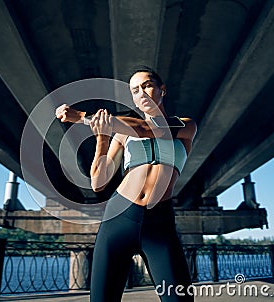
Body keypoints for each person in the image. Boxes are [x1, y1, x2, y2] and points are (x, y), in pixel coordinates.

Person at [56, 66, 197, 301]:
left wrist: (81, 117)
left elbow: (147, 129)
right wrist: (101, 136)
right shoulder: (121, 132)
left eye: (147, 85)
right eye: (134, 90)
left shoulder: (185, 125)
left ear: (163, 90)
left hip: (159, 224)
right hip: (119, 218)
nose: (141, 92)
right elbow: (98, 183)